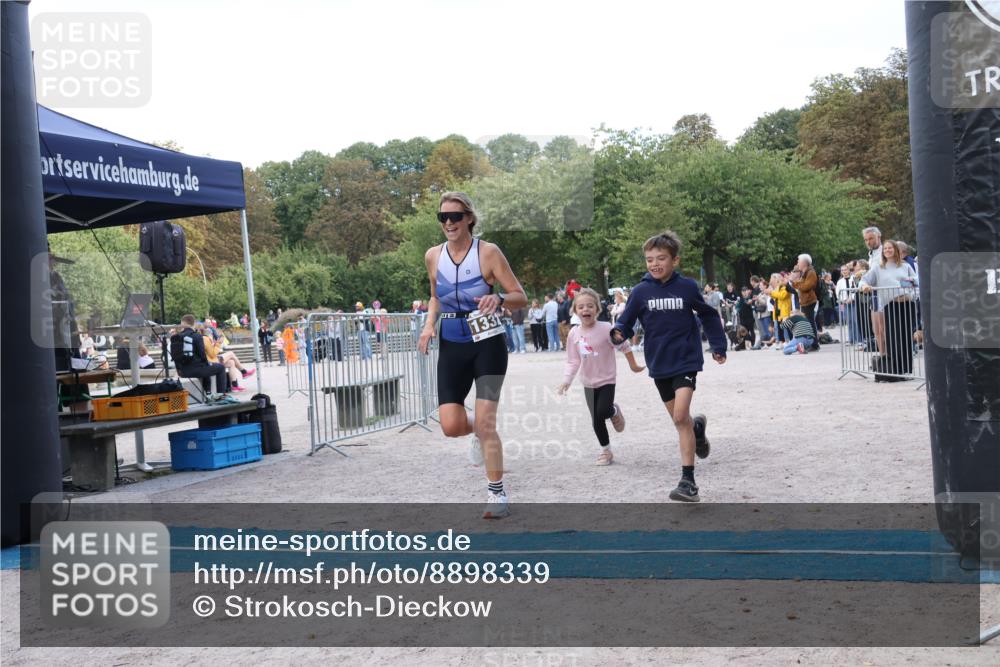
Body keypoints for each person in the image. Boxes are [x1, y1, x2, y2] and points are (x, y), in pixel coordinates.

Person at [418, 192, 528, 519]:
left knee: (486, 421)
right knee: (451, 425)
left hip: (488, 342)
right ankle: (479, 432)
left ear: (469, 218)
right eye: (443, 218)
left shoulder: (488, 252)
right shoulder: (432, 256)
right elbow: (435, 296)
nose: (449, 223)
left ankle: (497, 494)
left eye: (455, 216)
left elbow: (520, 296)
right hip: (451, 342)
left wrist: (501, 300)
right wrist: (428, 326)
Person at [611, 231, 727, 503]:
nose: (654, 264)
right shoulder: (640, 292)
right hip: (659, 362)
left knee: (678, 417)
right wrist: (618, 333)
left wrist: (718, 345)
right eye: (650, 259)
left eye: (661, 258)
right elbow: (625, 322)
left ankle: (688, 482)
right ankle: (697, 430)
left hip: (686, 359)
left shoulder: (687, 287)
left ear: (675, 260)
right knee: (682, 421)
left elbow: (709, 315)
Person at [558, 288, 645, 465]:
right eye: (581, 307)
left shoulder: (607, 328)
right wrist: (567, 381)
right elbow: (573, 361)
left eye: (590, 306)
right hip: (588, 382)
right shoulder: (574, 333)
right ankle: (606, 451)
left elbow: (625, 346)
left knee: (603, 411)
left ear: (597, 310)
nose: (585, 310)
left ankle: (614, 410)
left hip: (606, 379)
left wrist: (634, 365)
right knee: (596, 420)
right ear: (575, 311)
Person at [859, 240, 919, 382]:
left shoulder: (905, 266)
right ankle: (895, 369)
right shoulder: (878, 268)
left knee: (905, 337)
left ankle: (906, 370)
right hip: (890, 306)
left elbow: (915, 283)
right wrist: (865, 286)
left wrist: (905, 291)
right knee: (893, 337)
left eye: (890, 248)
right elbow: (864, 280)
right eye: (885, 248)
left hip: (907, 304)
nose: (887, 250)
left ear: (895, 250)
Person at [171, 314, 230, 396]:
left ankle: (208, 393)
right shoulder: (197, 336)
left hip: (182, 371)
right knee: (220, 367)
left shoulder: (175, 337)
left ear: (182, 323)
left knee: (206, 366)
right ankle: (221, 395)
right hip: (195, 370)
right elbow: (202, 355)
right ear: (193, 323)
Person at [863, 226, 886, 355]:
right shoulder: (871, 254)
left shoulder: (885, 251)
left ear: (879, 237)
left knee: (883, 328)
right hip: (874, 294)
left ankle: (889, 357)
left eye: (871, 238)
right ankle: (882, 356)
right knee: (876, 329)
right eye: (866, 239)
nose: (868, 242)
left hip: (884, 293)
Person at [789, 253, 820, 350]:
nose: (797, 262)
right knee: (809, 323)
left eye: (799, 261)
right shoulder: (805, 272)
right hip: (805, 301)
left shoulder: (811, 272)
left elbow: (807, 286)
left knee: (810, 323)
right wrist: (793, 282)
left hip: (809, 301)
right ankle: (811, 343)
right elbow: (799, 284)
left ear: (804, 262)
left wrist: (796, 283)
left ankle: (814, 344)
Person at [769, 273, 793, 347]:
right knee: (778, 326)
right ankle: (780, 341)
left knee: (785, 326)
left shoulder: (785, 286)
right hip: (778, 309)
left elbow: (782, 296)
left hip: (784, 309)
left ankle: (787, 340)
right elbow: (774, 297)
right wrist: (771, 293)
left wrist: (771, 292)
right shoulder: (778, 287)